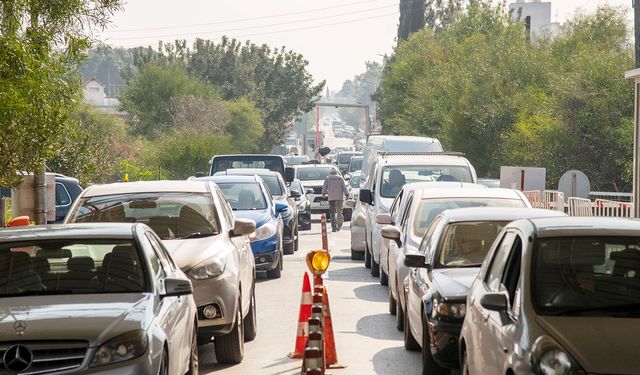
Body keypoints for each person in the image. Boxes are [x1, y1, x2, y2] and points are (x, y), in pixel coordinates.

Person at [322, 167, 349, 232]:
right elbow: (344, 188)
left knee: (332, 213)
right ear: (337, 172)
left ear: (330, 172)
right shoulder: (340, 178)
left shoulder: (328, 178)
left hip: (331, 198)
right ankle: (339, 225)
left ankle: (333, 227)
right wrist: (347, 194)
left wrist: (323, 194)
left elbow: (324, 187)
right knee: (339, 212)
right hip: (339, 198)